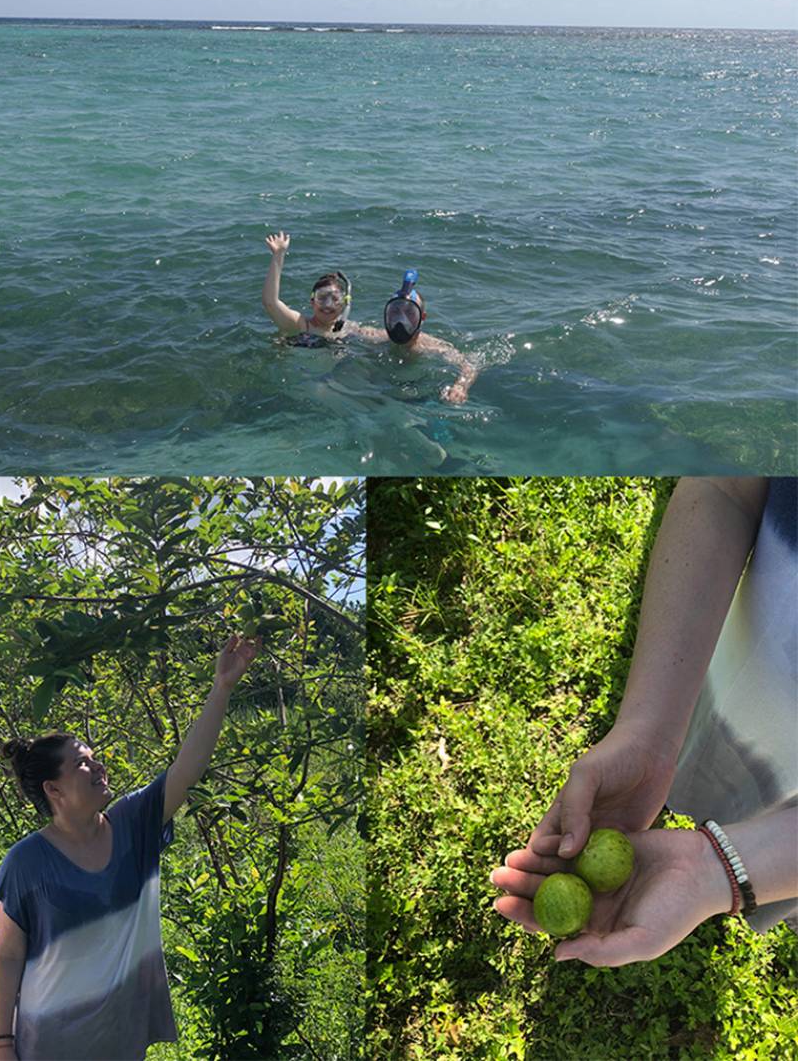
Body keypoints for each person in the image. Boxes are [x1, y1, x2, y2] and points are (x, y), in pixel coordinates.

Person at [492, 477, 798, 966]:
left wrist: (723, 870)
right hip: (744, 680)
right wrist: (650, 733)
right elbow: (726, 487)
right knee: (728, 777)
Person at [0, 633, 260, 1061]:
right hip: (48, 1044)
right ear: (53, 789)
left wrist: (222, 687)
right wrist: (1, 1045)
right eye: (82, 762)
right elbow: (7, 956)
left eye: (94, 756)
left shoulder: (133, 823)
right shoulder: (26, 863)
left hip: (121, 1039)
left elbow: (187, 769)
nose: (98, 766)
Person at [262, 231, 478, 404]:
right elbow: (271, 303)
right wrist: (278, 256)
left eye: (334, 299)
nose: (327, 306)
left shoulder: (351, 330)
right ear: (312, 301)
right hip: (294, 385)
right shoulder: (301, 324)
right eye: (321, 298)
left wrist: (459, 385)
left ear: (345, 303)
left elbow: (465, 362)